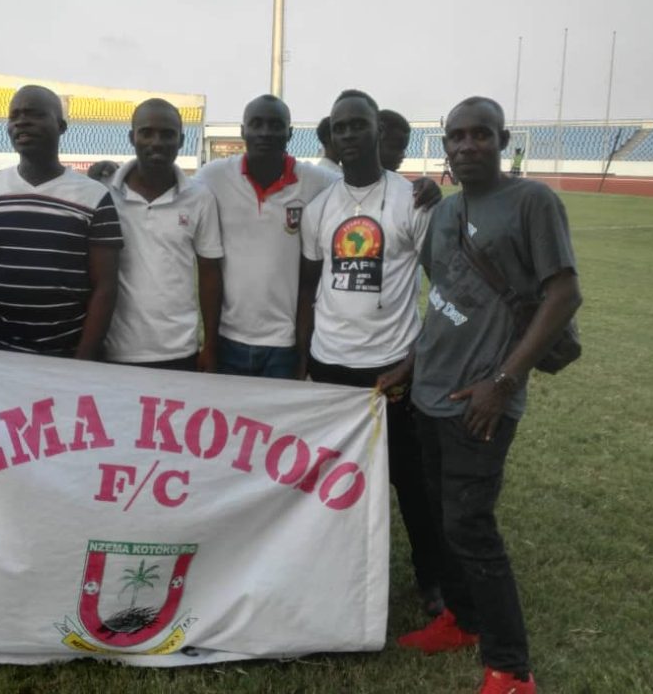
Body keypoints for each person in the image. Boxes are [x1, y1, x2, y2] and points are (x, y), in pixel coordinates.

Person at [380, 97, 581, 694]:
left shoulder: (532, 202)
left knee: (471, 527)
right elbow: (445, 298)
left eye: (481, 135)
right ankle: (463, 621)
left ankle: (511, 669)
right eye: (457, 136)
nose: (467, 145)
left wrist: (504, 382)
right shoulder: (445, 212)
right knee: (442, 518)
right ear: (444, 144)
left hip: (483, 398)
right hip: (430, 391)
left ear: (502, 140)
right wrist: (411, 364)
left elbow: (564, 294)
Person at [297, 90, 443, 617]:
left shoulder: (414, 200)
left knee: (411, 481)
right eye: (340, 128)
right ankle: (334, 570)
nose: (349, 135)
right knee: (331, 477)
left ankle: (432, 578)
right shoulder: (320, 208)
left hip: (391, 369)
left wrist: (413, 361)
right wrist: (303, 360)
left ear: (378, 131)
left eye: (358, 125)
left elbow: (445, 290)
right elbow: (308, 288)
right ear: (331, 138)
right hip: (330, 367)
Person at [0, 85, 123, 358]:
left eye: (34, 114)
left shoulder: (94, 196)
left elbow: (105, 287)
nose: (21, 121)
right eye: (14, 116)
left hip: (69, 356)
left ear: (61, 126)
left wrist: (83, 361)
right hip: (2, 353)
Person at [192, 94, 341, 378]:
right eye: (256, 124)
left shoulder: (316, 181)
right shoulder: (214, 176)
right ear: (243, 131)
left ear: (290, 133)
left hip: (284, 344)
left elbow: (362, 188)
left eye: (275, 125)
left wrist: (418, 188)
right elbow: (176, 191)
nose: (265, 132)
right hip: (227, 338)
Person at [104, 99, 223, 370]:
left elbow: (209, 274)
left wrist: (210, 345)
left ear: (181, 141)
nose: (156, 142)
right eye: (146, 133)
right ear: (131, 137)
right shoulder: (106, 194)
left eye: (167, 134)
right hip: (115, 350)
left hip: (179, 350)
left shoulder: (200, 198)